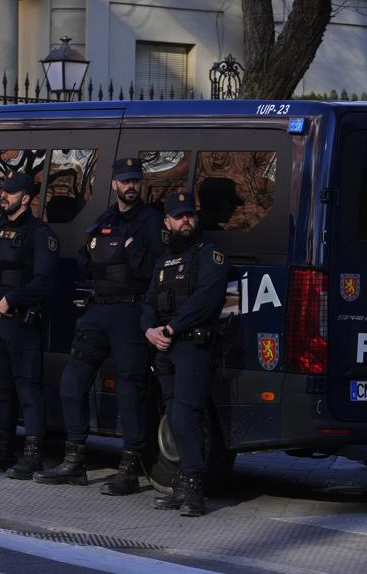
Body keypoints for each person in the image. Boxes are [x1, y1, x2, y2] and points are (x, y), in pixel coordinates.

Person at [34, 157, 163, 491]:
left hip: (130, 313)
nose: (131, 186)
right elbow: (85, 260)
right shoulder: (105, 218)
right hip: (98, 311)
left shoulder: (151, 222)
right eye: (125, 180)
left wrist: (124, 257)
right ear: (114, 185)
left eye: (135, 180)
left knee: (129, 391)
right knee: (71, 384)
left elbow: (156, 271)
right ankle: (75, 460)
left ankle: (130, 469)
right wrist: (114, 255)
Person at [141, 191, 229, 517]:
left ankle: (194, 487)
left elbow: (206, 299)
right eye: (178, 216)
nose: (186, 220)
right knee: (172, 414)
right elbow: (149, 301)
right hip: (165, 347)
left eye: (190, 215)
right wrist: (149, 330)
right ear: (167, 222)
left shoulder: (210, 254)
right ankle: (182, 482)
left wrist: (171, 328)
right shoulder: (164, 261)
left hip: (192, 344)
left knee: (185, 414)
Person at [0, 171, 59, 479]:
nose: (3, 195)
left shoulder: (39, 234)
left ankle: (33, 455)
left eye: (10, 192)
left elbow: (45, 281)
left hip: (20, 325)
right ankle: (3, 449)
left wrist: (13, 299)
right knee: (2, 390)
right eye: (2, 191)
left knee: (27, 389)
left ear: (26, 197)